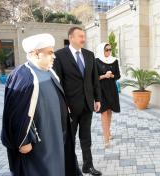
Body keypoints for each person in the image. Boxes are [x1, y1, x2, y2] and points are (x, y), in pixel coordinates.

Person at [1, 33, 77, 176]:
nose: (54, 56)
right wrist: (23, 140)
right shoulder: (23, 76)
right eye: (49, 53)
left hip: (56, 135)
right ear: (36, 54)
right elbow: (14, 113)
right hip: (39, 143)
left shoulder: (50, 73)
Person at [53, 27, 102, 176]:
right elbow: (57, 82)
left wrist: (97, 98)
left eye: (84, 36)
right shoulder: (59, 56)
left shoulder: (89, 55)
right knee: (70, 139)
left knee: (86, 138)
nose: (83, 39)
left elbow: (94, 80)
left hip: (88, 104)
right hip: (70, 107)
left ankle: (88, 166)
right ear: (71, 37)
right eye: (80, 36)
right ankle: (71, 168)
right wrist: (63, 105)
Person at [95, 42, 121, 148]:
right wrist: (104, 76)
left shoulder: (114, 60)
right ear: (102, 50)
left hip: (112, 89)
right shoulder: (96, 61)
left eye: (110, 49)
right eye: (107, 50)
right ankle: (106, 140)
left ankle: (108, 132)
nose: (109, 52)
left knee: (110, 111)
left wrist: (112, 75)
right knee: (104, 113)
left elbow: (118, 75)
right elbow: (94, 78)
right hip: (101, 90)